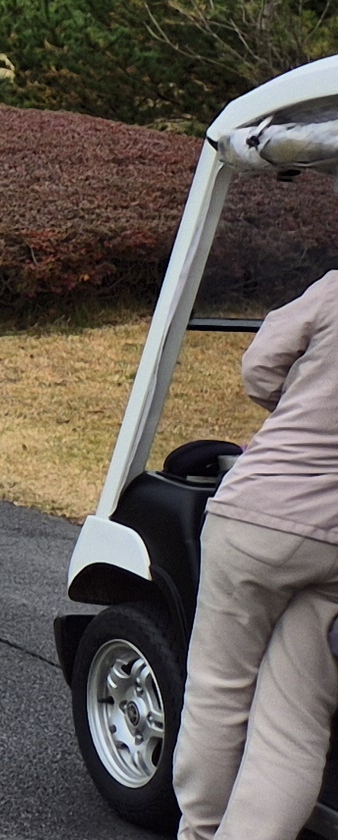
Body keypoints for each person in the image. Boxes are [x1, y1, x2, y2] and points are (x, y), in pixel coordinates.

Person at [184, 268, 338, 838]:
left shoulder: (332, 290)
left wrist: (298, 402)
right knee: (295, 723)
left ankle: (200, 831)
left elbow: (259, 369)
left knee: (218, 692)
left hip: (259, 518)